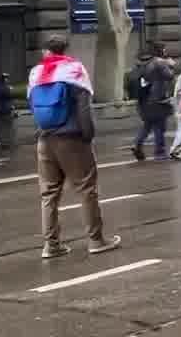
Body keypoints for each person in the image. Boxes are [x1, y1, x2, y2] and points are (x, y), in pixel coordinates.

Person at [29, 35, 121, 258]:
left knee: (49, 194)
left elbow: (34, 106)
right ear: (66, 49)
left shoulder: (36, 73)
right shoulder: (74, 70)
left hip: (44, 139)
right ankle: (96, 240)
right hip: (71, 138)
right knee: (87, 190)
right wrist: (87, 136)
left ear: (45, 51)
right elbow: (83, 107)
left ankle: (51, 245)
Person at [130, 44, 175, 161]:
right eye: (164, 49)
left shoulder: (141, 64)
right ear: (159, 51)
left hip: (143, 100)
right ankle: (160, 152)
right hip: (157, 100)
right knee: (159, 127)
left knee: (147, 125)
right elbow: (169, 76)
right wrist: (171, 65)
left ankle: (137, 144)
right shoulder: (159, 63)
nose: (165, 51)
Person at [0, 72, 15, 148]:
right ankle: (6, 142)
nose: (8, 80)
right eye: (7, 78)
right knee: (6, 126)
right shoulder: (4, 87)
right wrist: (10, 90)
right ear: (4, 79)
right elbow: (8, 95)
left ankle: (2, 141)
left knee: (1, 125)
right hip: (4, 109)